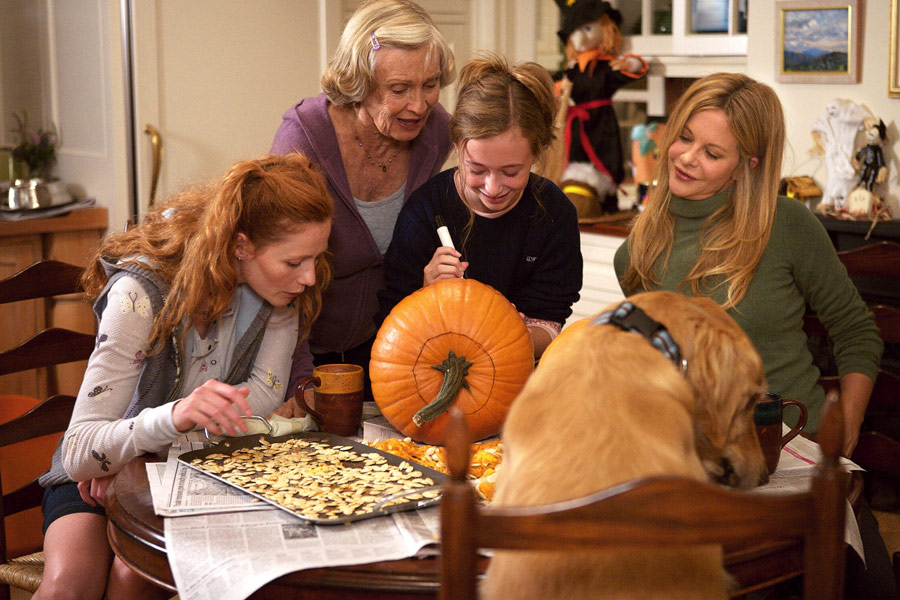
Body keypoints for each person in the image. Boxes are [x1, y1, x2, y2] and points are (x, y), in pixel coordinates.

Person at [613, 72, 895, 599]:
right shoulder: (639, 248)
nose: (687, 157)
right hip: (683, 457)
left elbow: (857, 331)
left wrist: (846, 427)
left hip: (787, 447)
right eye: (684, 137)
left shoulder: (787, 226)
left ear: (750, 165)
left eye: (713, 152)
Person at [34, 153, 333, 600]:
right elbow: (81, 453)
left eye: (316, 257)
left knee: (136, 576)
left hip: (168, 470)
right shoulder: (140, 294)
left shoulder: (281, 295)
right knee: (68, 585)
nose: (309, 277)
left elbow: (262, 403)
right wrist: (172, 420)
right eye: (294, 262)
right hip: (94, 473)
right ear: (241, 245)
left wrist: (137, 462)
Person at [270, 0, 455, 408]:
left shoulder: (437, 131)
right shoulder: (303, 140)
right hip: (297, 353)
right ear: (357, 83)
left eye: (430, 84)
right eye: (399, 89)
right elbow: (279, 279)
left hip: (386, 352)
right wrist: (301, 383)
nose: (420, 105)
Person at [377, 53, 583, 358]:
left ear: (536, 155)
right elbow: (392, 324)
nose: (493, 187)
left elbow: (551, 317)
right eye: (477, 170)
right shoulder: (425, 210)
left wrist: (512, 333)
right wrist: (426, 293)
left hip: (518, 373)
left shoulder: (554, 214)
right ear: (458, 146)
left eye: (511, 172)